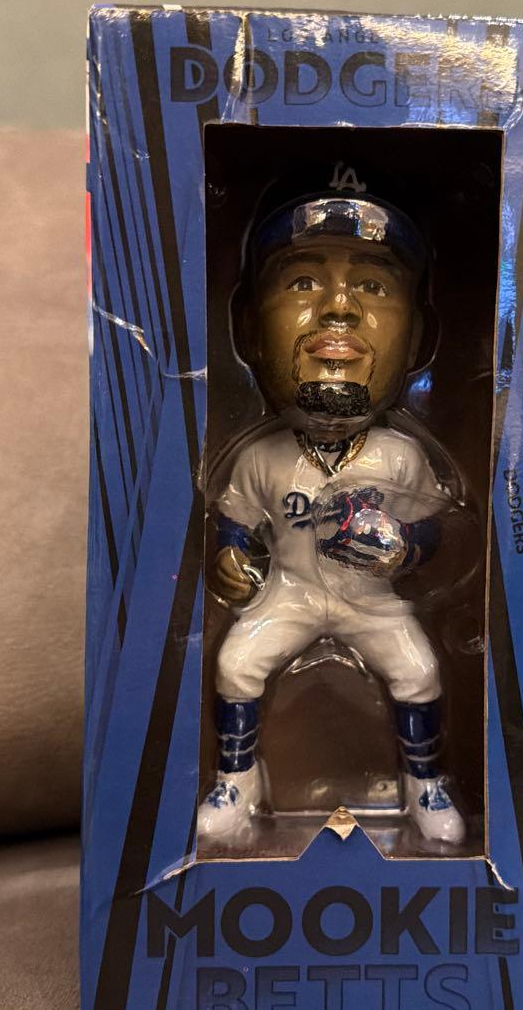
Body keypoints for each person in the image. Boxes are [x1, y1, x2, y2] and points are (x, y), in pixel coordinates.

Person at [199, 180, 465, 845]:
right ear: (248, 330)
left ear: (417, 338)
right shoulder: (261, 455)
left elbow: (441, 530)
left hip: (370, 599)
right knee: (236, 663)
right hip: (288, 593)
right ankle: (237, 782)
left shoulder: (400, 456)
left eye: (372, 286)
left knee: (421, 670)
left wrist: (405, 546)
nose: (339, 308)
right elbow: (236, 521)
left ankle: (425, 783)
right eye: (303, 283)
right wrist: (231, 556)